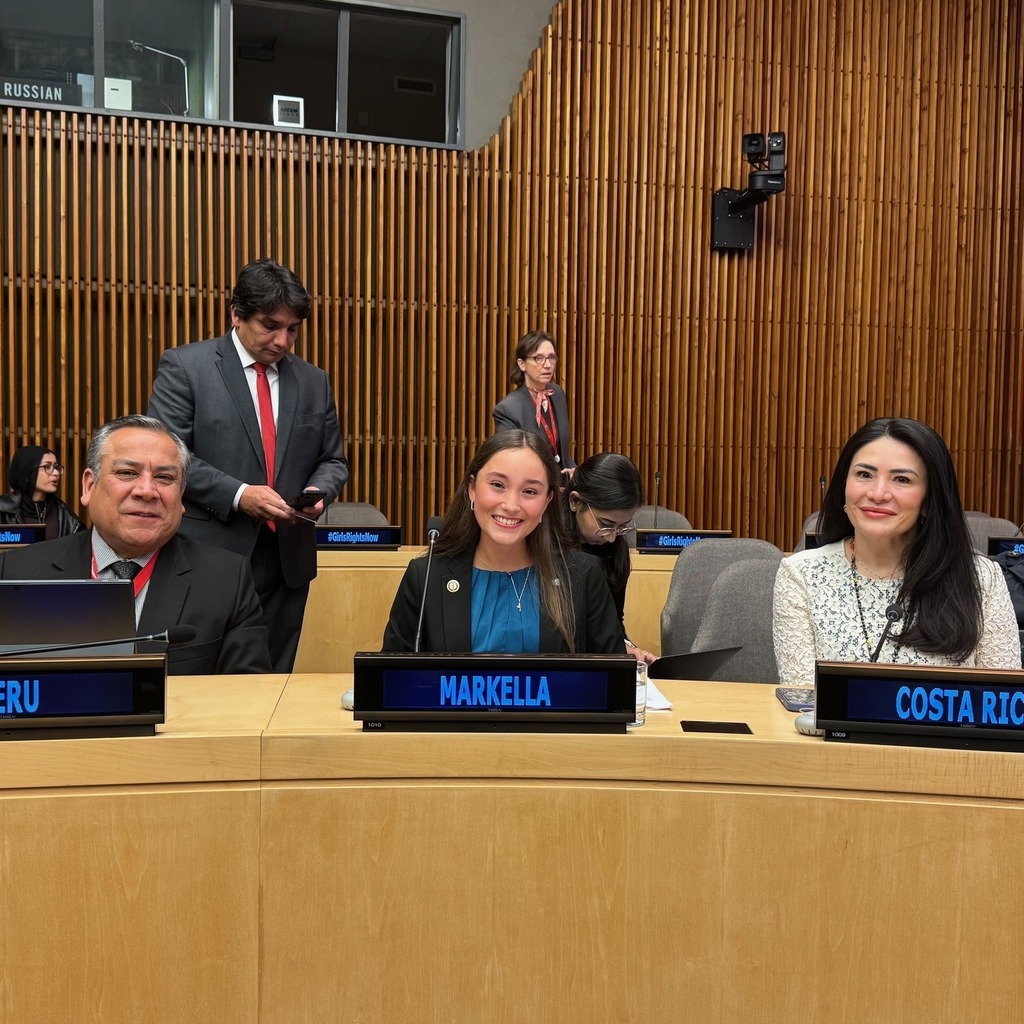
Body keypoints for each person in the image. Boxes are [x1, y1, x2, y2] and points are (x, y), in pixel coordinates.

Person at [147, 258, 349, 672]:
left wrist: (319, 493)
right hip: (208, 552)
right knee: (200, 676)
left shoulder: (314, 381)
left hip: (287, 557)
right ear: (236, 314)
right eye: (270, 325)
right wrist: (240, 495)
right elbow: (168, 458)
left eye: (293, 329)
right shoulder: (187, 367)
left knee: (273, 680)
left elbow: (333, 459)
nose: (282, 340)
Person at [0, 416, 272, 675]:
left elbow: (249, 699)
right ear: (89, 486)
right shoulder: (16, 572)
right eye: (128, 473)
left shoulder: (227, 580)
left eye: (164, 478)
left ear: (181, 495)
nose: (146, 491)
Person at [773, 416, 1020, 684]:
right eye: (864, 475)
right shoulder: (801, 574)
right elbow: (803, 705)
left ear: (929, 500)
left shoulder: (982, 578)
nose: (878, 493)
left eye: (901, 479)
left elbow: (1003, 702)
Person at [382, 430, 623, 653]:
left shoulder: (583, 576)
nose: (511, 505)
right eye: (498, 485)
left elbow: (612, 684)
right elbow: (391, 682)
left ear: (548, 500)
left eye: (530, 491)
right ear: (472, 489)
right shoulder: (425, 578)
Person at [563, 452, 655, 663]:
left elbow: (612, 622)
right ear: (575, 502)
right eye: (605, 524)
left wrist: (628, 648)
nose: (613, 537)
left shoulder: (615, 551)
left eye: (622, 526)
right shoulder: (547, 547)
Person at [492, 330, 575, 472]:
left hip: (564, 484)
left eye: (551, 357)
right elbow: (510, 463)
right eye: (539, 358)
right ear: (522, 364)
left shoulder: (557, 394)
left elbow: (563, 453)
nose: (548, 365)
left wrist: (573, 472)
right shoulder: (508, 409)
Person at [0, 446, 84, 538]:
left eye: (56, 467)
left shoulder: (68, 518)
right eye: (47, 467)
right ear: (28, 472)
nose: (56, 473)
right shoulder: (3, 510)